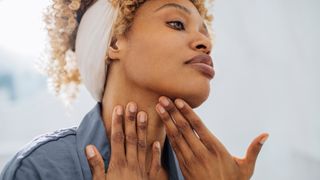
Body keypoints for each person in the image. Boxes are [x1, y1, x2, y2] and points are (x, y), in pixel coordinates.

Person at [0, 0, 269, 179]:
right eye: (177, 23)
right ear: (114, 42)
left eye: (205, 33)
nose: (205, 43)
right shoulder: (40, 168)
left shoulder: (211, 174)